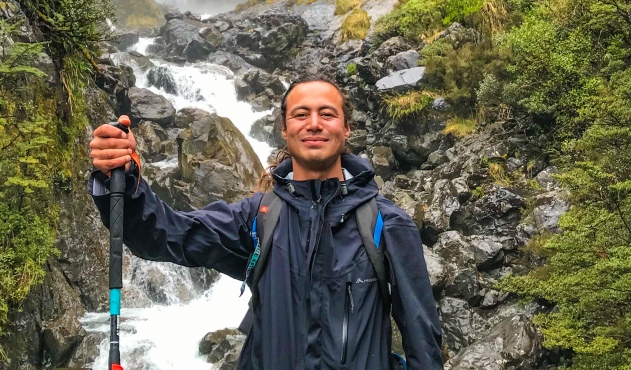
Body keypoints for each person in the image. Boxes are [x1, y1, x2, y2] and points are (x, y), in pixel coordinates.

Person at [88, 75, 443, 369]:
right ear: (285, 130)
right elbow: (165, 236)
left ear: (346, 128)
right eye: (301, 114)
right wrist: (122, 180)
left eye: (327, 114)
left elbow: (422, 340)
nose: (315, 123)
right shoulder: (257, 219)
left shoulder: (387, 224)